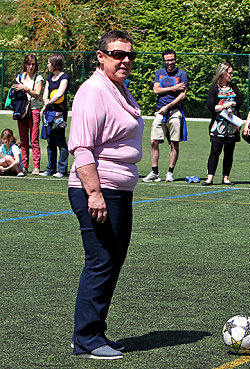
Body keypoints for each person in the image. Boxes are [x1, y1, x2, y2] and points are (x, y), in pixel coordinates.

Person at [68, 30, 144, 360]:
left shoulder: (118, 89)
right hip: (98, 190)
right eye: (117, 54)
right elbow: (81, 146)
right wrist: (94, 193)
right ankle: (85, 338)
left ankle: (94, 332)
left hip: (118, 190)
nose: (125, 60)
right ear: (101, 56)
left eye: (130, 55)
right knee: (101, 261)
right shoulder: (93, 91)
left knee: (111, 261)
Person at [143, 49, 188, 183]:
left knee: (174, 143)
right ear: (164, 61)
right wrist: (173, 87)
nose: (170, 62)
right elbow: (156, 90)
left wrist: (167, 107)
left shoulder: (182, 74)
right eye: (167, 60)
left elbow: (182, 95)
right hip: (159, 112)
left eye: (172, 59)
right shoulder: (159, 73)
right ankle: (155, 172)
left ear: (175, 59)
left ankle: (170, 172)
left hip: (174, 111)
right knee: (153, 141)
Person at [203, 62, 243, 186]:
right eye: (229, 73)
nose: (231, 75)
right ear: (222, 73)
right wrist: (223, 107)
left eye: (232, 73)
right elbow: (211, 107)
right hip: (218, 125)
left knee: (229, 152)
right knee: (215, 150)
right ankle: (210, 177)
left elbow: (240, 101)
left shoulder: (234, 87)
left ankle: (226, 177)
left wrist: (232, 104)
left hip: (232, 126)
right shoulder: (214, 88)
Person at [12, 54, 44, 175]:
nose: (30, 67)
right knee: (23, 140)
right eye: (28, 64)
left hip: (33, 110)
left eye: (33, 64)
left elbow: (37, 94)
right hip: (21, 110)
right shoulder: (20, 77)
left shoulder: (38, 78)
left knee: (34, 140)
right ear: (25, 64)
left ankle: (36, 166)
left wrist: (25, 88)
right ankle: (24, 166)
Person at [39, 54, 70, 178]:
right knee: (50, 141)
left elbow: (60, 93)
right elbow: (45, 94)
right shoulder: (49, 78)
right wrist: (45, 105)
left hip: (59, 112)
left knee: (60, 141)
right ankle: (50, 169)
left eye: (49, 63)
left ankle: (62, 170)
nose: (47, 65)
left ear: (55, 64)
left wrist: (49, 101)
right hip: (49, 112)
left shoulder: (65, 77)